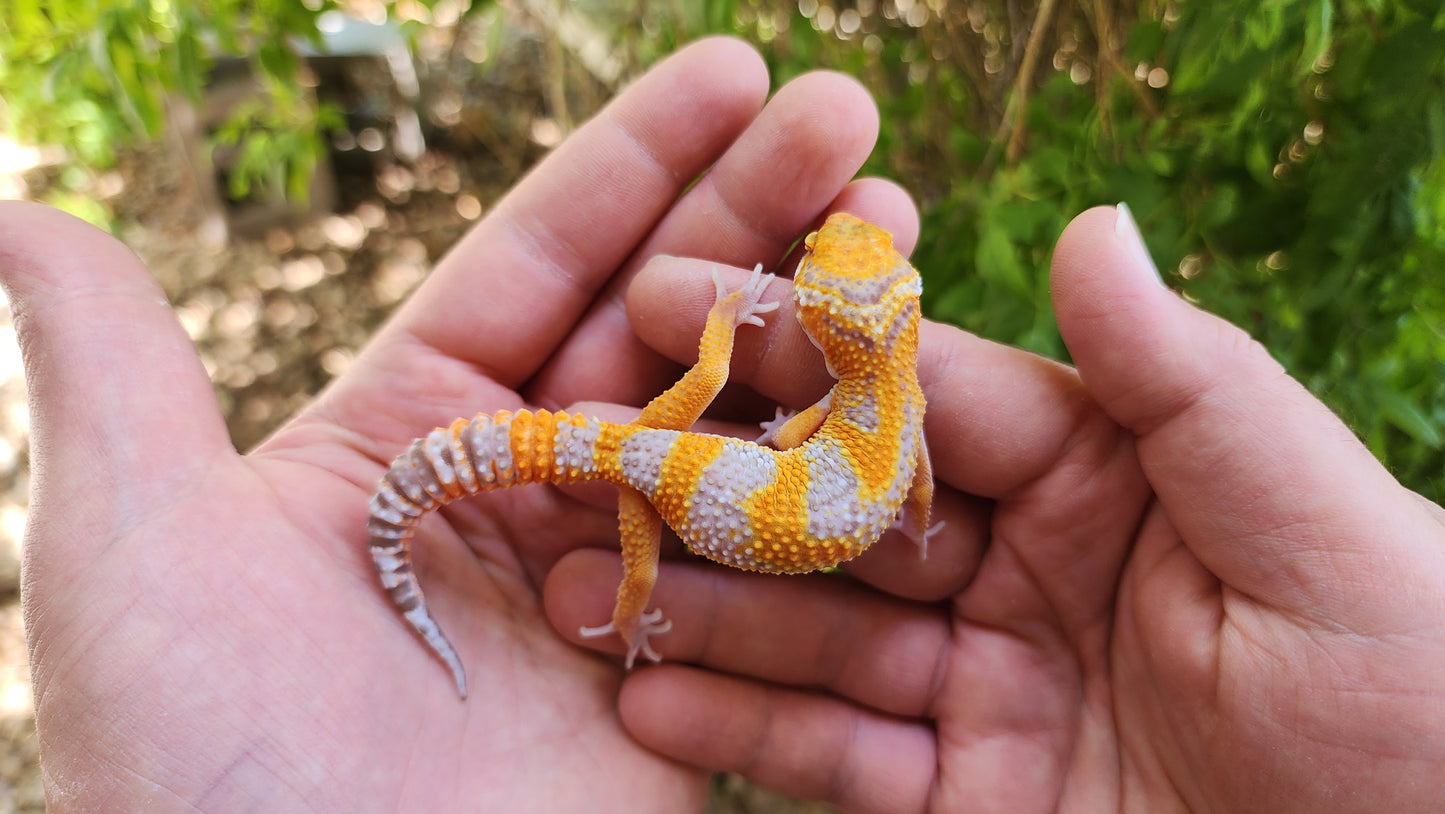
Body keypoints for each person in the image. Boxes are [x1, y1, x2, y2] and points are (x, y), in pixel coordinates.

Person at [3, 36, 1443, 813]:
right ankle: (435, 543)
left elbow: (857, 445)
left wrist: (741, 339)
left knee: (642, 486)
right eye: (817, 279)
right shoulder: (890, 405)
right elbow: (902, 457)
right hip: (684, 472)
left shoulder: (835, 396)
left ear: (845, 309)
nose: (831, 273)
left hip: (678, 468)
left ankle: (505, 557)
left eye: (830, 281)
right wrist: (906, 500)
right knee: (627, 497)